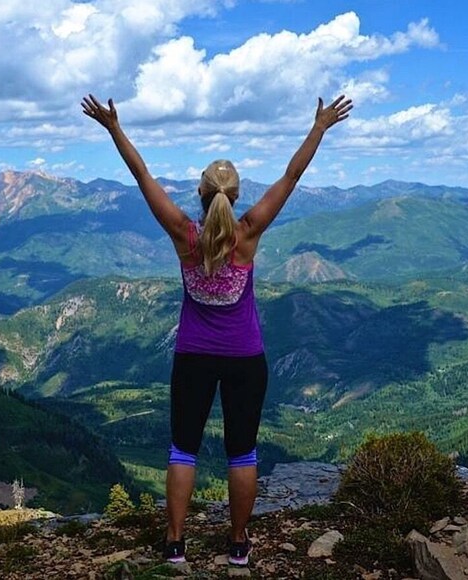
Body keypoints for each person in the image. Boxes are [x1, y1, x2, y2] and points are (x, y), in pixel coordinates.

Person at [81, 93, 352, 567]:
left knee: (183, 449)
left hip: (194, 356)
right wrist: (319, 128)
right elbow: (292, 176)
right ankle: (238, 546)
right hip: (246, 358)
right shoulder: (248, 232)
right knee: (241, 453)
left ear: (202, 196)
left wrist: (114, 129)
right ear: (237, 196)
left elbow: (142, 177)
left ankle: (174, 546)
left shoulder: (185, 236)